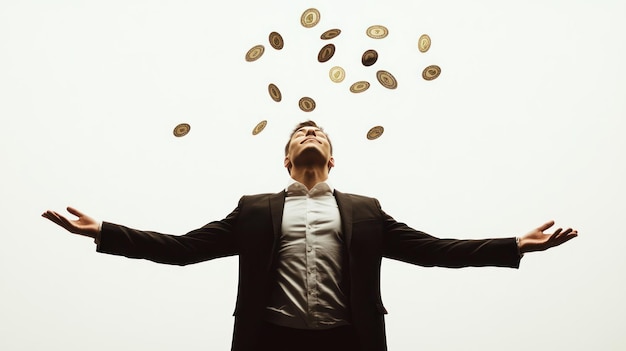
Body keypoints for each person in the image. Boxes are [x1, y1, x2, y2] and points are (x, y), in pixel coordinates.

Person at [42, 120, 578, 351]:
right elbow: (184, 250)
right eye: (300, 132)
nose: (309, 132)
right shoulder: (254, 210)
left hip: (349, 342)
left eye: (318, 131)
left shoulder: (365, 211)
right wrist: (106, 231)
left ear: (332, 156)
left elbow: (433, 250)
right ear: (286, 158)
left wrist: (514, 245)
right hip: (270, 342)